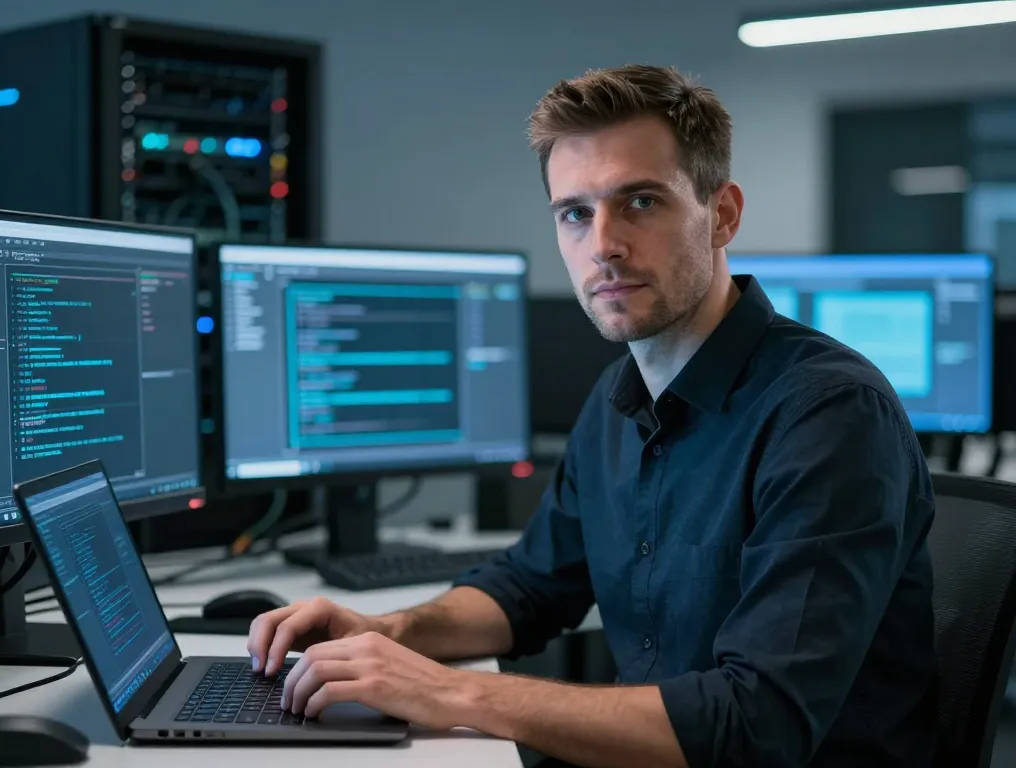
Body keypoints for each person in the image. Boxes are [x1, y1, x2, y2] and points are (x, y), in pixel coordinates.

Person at [247, 64, 938, 768]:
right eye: (575, 213)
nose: (602, 244)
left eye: (640, 202)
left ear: (722, 214)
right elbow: (530, 588)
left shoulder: (828, 414)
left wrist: (450, 693)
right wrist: (388, 630)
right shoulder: (621, 393)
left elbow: (756, 724)